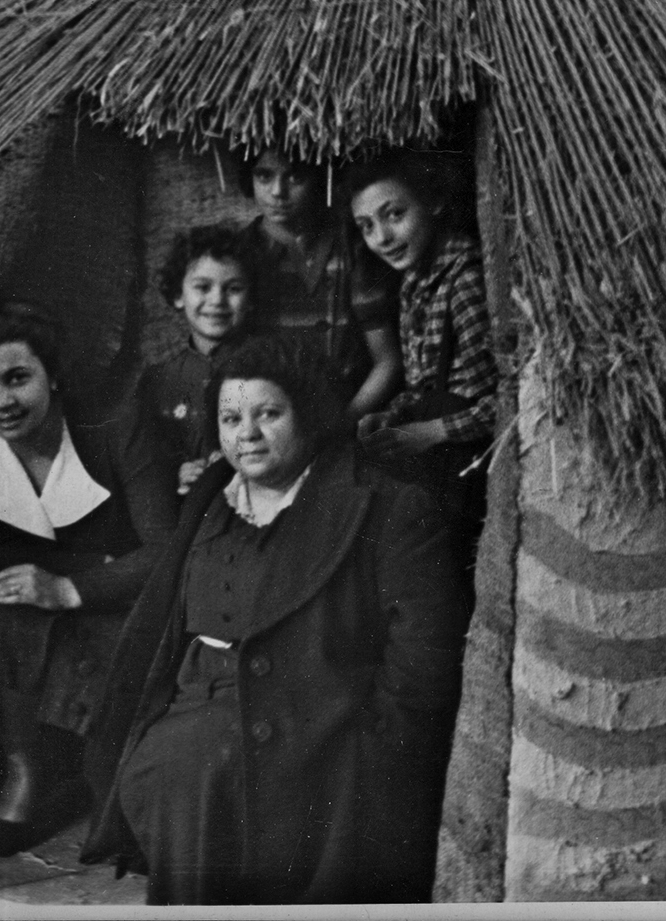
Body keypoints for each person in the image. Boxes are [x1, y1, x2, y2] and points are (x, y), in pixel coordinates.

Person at [81, 333, 469, 904]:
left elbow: (425, 651)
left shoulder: (382, 503)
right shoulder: (212, 497)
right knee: (176, 771)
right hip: (196, 708)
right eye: (231, 418)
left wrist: (374, 739)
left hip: (321, 721)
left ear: (308, 415)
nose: (248, 435)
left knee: (216, 778)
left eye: (269, 414)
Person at [0, 301, 178, 855]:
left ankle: (106, 782)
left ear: (54, 375)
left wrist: (70, 587)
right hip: (49, 592)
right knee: (0, 607)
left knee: (104, 634)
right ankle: (24, 767)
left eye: (17, 378)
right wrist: (58, 574)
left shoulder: (114, 429)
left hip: (124, 599)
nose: (0, 401)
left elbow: (164, 551)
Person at [347, 150, 498, 535]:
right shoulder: (414, 283)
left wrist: (429, 432)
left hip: (476, 466)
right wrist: (393, 415)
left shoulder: (465, 281)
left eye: (394, 214)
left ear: (433, 201)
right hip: (440, 458)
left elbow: (508, 403)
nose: (381, 238)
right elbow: (423, 388)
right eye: (366, 226)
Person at [242, 150, 403, 425]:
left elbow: (387, 362)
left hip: (347, 413)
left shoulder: (351, 244)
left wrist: (342, 423)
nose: (278, 192)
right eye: (264, 176)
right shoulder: (242, 252)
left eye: (295, 177)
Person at [135, 222, 259, 494]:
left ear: (250, 299)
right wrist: (177, 472)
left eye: (233, 288)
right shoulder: (158, 381)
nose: (217, 300)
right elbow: (149, 458)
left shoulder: (269, 366)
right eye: (203, 287)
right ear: (179, 295)